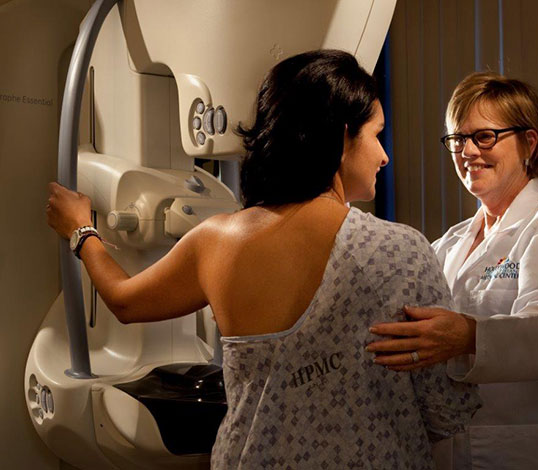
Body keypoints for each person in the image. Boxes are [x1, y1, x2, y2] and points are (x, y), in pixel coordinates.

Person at [47, 49, 480, 469]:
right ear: (342, 135)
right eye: (376, 134)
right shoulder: (399, 250)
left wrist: (81, 229)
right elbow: (447, 409)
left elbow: (124, 301)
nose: (384, 155)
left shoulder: (216, 240)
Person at [366, 71, 538, 469]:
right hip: (458, 450)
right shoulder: (449, 244)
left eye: (484, 136)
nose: (468, 151)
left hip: (535, 450)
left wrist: (468, 336)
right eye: (458, 139)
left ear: (529, 142)